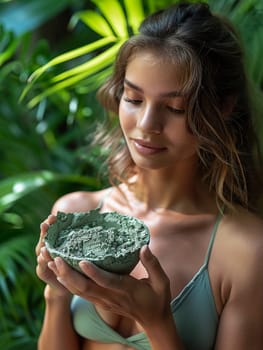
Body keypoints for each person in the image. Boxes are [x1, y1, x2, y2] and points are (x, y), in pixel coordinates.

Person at [35, 1, 263, 349]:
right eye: (134, 99)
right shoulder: (79, 215)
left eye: (175, 108)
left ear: (223, 108)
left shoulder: (245, 251)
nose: (146, 126)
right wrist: (57, 293)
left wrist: (157, 324)